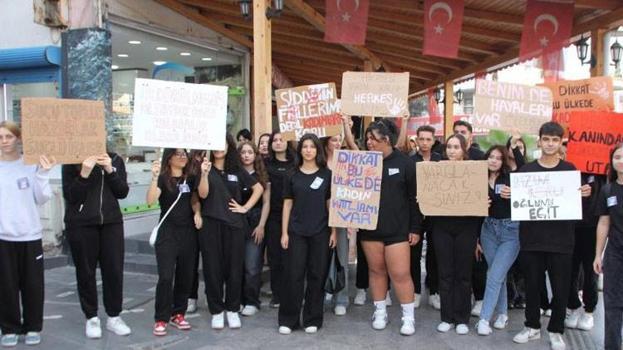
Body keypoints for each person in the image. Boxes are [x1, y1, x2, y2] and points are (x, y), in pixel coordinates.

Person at [513, 122, 591, 350]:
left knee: (560, 288)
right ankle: (532, 326)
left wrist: (585, 193)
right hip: (531, 239)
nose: (550, 144)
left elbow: (576, 203)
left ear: (560, 143)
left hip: (561, 241)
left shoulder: (569, 170)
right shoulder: (526, 171)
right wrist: (510, 193)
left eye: (555, 140)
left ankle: (556, 330)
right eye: (546, 139)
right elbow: (516, 201)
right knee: (533, 285)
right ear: (539, 141)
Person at [358, 119, 421, 336]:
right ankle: (380, 312)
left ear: (386, 140)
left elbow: (415, 199)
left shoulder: (405, 163)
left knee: (401, 273)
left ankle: (408, 318)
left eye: (373, 138)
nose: (369, 142)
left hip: (398, 230)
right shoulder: (362, 162)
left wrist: (415, 228)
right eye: (367, 138)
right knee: (376, 271)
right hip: (369, 228)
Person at [62, 148, 132, 339]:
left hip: (111, 223)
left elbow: (122, 192)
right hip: (81, 224)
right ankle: (91, 317)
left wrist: (110, 170)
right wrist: (84, 173)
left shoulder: (115, 158)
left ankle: (114, 316)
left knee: (114, 270)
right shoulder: (71, 160)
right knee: (85, 271)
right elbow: (71, 196)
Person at [197, 134, 263, 329]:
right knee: (212, 269)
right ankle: (217, 311)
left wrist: (245, 207)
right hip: (211, 225)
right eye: (215, 143)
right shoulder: (205, 168)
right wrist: (203, 173)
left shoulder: (237, 169)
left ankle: (233, 309)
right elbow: (202, 194)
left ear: (228, 146)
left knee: (235, 269)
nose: (219, 147)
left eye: (222, 143)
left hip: (234, 226)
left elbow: (258, 189)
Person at [0, 121, 54, 347]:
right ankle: (9, 328)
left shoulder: (30, 165)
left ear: (18, 138)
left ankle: (33, 327)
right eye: (0, 137)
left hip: (30, 235)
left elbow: (42, 198)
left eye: (8, 137)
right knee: (5, 286)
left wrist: (43, 173)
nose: (4, 141)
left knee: (33, 286)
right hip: (3, 237)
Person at [278, 134, 336, 334]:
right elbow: (287, 203)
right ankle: (288, 319)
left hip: (320, 232)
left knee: (316, 275)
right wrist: (284, 232)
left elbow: (330, 204)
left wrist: (334, 231)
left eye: (312, 146)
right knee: (293, 275)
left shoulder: (326, 175)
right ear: (300, 150)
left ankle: (312, 318)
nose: (308, 150)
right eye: (305, 146)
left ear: (317, 150)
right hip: (296, 232)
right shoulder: (291, 174)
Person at [146, 148, 200, 336]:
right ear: (169, 159)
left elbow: (195, 198)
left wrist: (198, 212)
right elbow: (150, 201)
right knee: (166, 276)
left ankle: (178, 313)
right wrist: (153, 178)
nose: (183, 157)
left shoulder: (190, 177)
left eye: (184, 154)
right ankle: (161, 318)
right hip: (167, 234)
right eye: (178, 154)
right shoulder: (162, 178)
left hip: (188, 233)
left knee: (186, 275)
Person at [433, 134, 483, 335]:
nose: (452, 150)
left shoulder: (474, 170)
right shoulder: (436, 171)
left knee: (463, 274)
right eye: (449, 147)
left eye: (456, 147)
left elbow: (481, 197)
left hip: (467, 228)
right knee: (445, 273)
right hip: (441, 227)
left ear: (464, 149)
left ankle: (462, 318)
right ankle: (446, 317)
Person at [476, 145, 519, 336]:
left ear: (504, 161)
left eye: (498, 158)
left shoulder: (511, 178)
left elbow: (528, 195)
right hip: (487, 231)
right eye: (491, 156)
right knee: (496, 275)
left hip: (511, 231)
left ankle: (484, 319)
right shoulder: (477, 179)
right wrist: (476, 238)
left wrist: (515, 194)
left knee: (493, 276)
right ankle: (502, 313)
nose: (493, 160)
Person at [323, 115, 359, 316]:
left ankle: (341, 298)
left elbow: (357, 150)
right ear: (326, 142)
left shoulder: (348, 159)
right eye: (333, 140)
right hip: (320, 217)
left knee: (342, 258)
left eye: (339, 139)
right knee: (320, 258)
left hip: (342, 216)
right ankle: (321, 293)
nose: (337, 143)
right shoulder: (318, 160)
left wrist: (346, 125)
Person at [564, 171, 604, 331]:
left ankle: (589, 311)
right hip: (570, 226)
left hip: (593, 227)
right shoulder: (568, 170)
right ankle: (573, 306)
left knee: (591, 270)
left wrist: (593, 191)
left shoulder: (602, 173)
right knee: (569, 270)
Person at [594, 143, 623, 350]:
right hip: (615, 253)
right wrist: (598, 254)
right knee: (612, 303)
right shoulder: (607, 190)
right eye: (617, 157)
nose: (620, 160)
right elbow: (604, 223)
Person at [410, 125, 442, 310]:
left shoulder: (441, 160)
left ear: (434, 140)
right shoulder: (410, 161)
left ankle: (434, 291)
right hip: (415, 214)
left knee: (435, 254)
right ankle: (415, 292)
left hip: (436, 214)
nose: (424, 143)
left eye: (428, 139)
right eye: (421, 139)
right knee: (414, 255)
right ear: (416, 140)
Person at [264, 131, 297, 308]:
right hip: (273, 216)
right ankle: (277, 295)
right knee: (275, 256)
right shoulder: (265, 163)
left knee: (292, 257)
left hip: (294, 216)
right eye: (275, 140)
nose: (278, 143)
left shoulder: (296, 162)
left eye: (281, 139)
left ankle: (291, 292)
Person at [237, 141, 270, 317]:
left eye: (250, 152)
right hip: (236, 223)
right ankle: (238, 300)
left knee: (252, 265)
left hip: (255, 222)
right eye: (243, 152)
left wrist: (261, 225)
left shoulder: (261, 175)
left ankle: (252, 301)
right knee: (237, 265)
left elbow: (266, 203)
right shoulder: (234, 173)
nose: (246, 155)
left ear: (255, 155)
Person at [185, 150, 206, 313]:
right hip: (191, 217)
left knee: (212, 260)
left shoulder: (216, 155)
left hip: (214, 216)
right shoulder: (188, 162)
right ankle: (190, 296)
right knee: (191, 259)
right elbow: (193, 193)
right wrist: (196, 212)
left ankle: (213, 293)